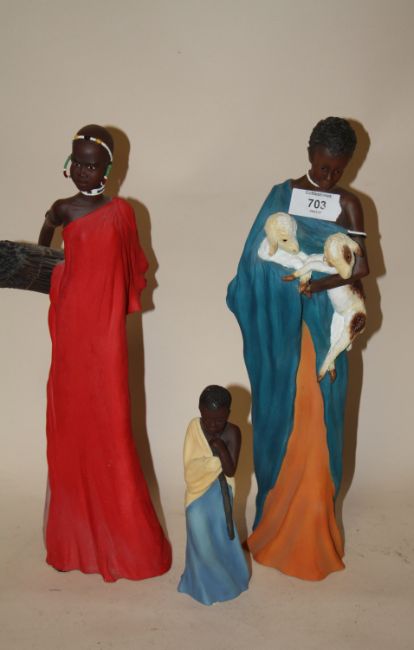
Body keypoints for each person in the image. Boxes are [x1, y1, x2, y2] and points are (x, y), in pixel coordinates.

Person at [227, 117, 369, 580]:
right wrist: (286, 280)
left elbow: (359, 267)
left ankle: (312, 531)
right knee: (285, 413)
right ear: (310, 153)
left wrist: (318, 282)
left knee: (318, 417)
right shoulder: (281, 196)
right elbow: (253, 263)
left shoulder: (349, 204)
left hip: (325, 326)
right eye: (324, 166)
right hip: (283, 332)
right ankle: (275, 524)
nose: (329, 177)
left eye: (339, 169)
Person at [38, 124, 171, 582]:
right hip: (71, 325)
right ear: (69, 163)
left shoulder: (122, 212)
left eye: (92, 164)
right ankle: (72, 540)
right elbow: (43, 244)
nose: (83, 170)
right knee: (73, 417)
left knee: (110, 418)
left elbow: (135, 264)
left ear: (109, 169)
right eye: (78, 162)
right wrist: (51, 270)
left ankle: (124, 536)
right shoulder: (63, 208)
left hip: (106, 329)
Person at [178, 385, 250, 605]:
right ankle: (202, 582)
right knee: (196, 519)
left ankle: (227, 579)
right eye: (208, 419)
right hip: (198, 489)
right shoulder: (194, 427)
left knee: (219, 528)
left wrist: (220, 447)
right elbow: (190, 466)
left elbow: (230, 470)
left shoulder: (233, 432)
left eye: (219, 420)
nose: (212, 425)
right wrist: (211, 463)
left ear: (228, 413)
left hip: (221, 490)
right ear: (200, 410)